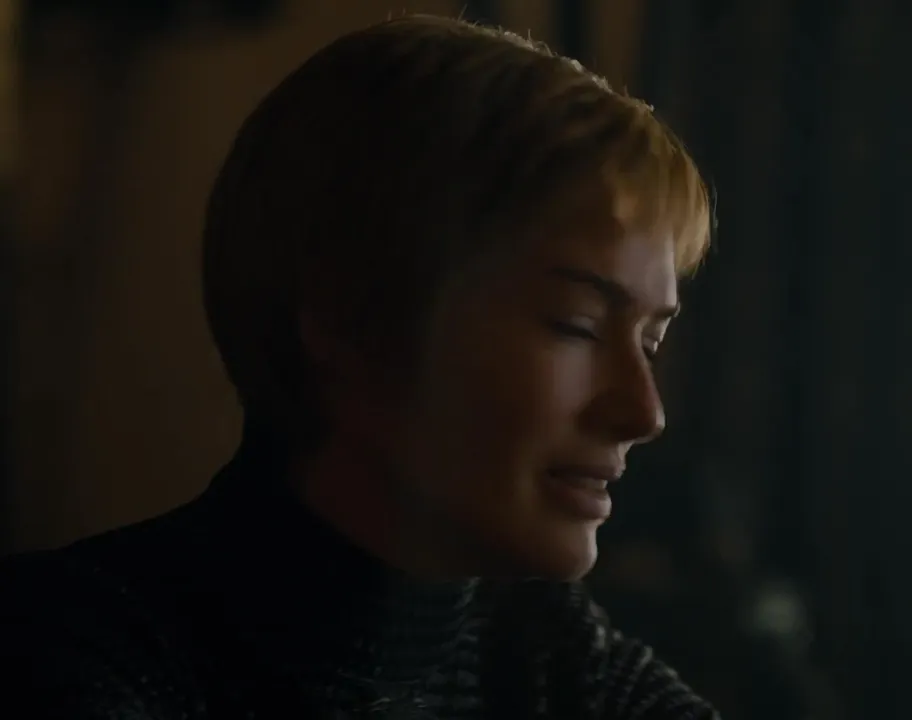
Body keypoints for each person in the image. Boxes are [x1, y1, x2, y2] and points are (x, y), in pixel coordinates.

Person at [0, 14, 718, 719]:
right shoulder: (70, 654)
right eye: (577, 324)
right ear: (346, 317)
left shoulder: (562, 665)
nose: (643, 411)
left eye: (650, 342)